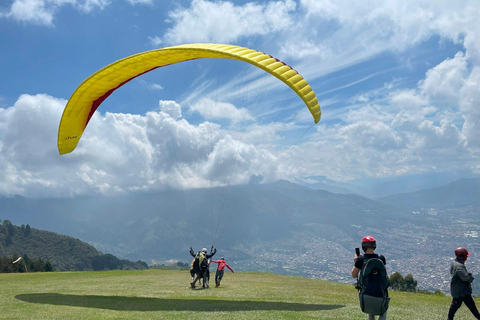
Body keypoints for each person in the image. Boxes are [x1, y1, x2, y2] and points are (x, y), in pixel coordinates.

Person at [352, 235, 389, 320]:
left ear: (363, 247)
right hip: (381, 294)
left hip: (366, 294)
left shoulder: (361, 259)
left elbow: (354, 275)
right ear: (374, 246)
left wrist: (356, 262)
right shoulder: (381, 258)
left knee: (371, 311)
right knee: (383, 312)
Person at [447, 247, 480, 320]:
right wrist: (470, 277)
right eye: (466, 255)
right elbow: (466, 278)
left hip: (462, 291)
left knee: (470, 306)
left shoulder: (454, 263)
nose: (467, 257)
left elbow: (451, 272)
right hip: (461, 292)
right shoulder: (459, 267)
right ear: (462, 256)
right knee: (455, 307)